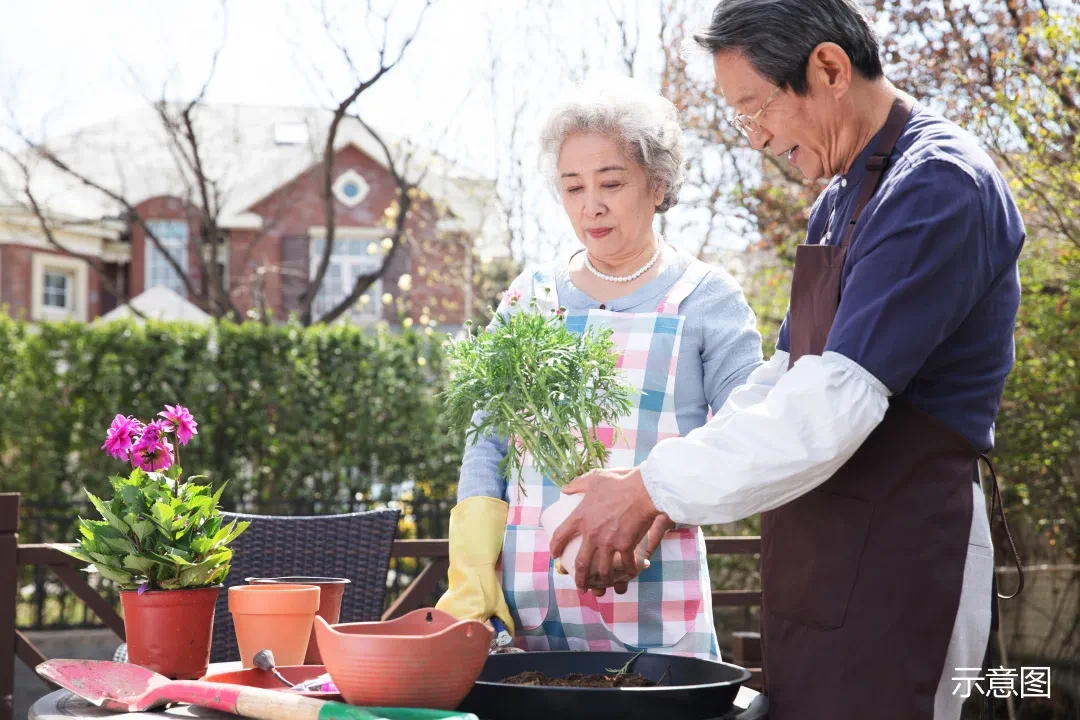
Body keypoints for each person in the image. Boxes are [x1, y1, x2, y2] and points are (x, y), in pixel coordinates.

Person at [548, 2, 1026, 718]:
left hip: (902, 556)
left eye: (754, 108)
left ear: (829, 68)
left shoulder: (937, 186)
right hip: (821, 561)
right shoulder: (840, 198)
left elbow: (832, 405)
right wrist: (658, 491)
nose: (757, 136)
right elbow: (779, 380)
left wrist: (654, 487)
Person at [435, 79, 764, 661]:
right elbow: (485, 437)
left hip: (653, 585)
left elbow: (747, 433)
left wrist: (655, 511)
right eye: (573, 187)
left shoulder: (705, 297)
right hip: (528, 599)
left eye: (611, 183)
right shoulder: (530, 297)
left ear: (657, 185)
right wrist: (472, 571)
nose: (592, 205)